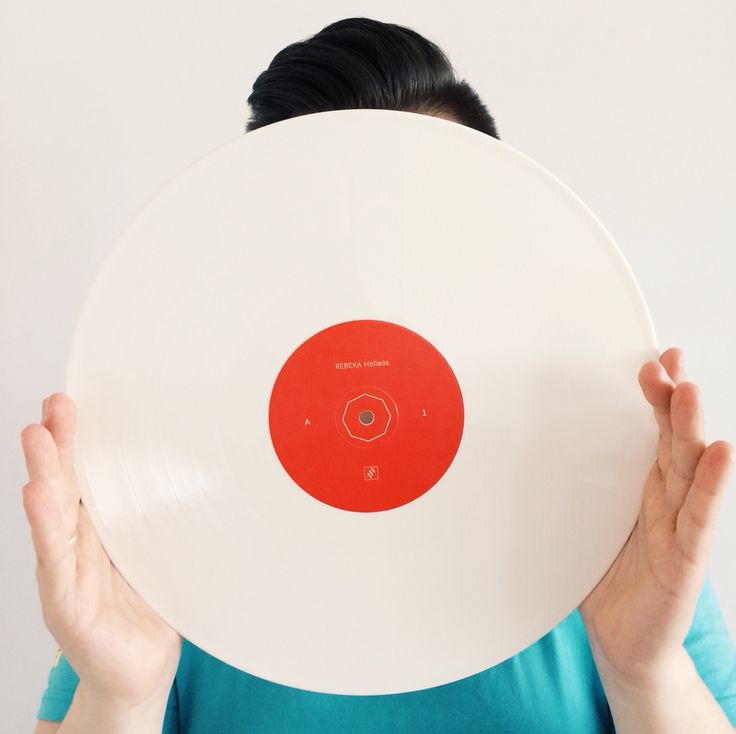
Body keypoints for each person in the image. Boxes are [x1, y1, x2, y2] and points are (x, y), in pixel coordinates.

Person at [20, 17, 736, 734]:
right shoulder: (163, 513)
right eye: (329, 232)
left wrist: (648, 672)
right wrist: (121, 697)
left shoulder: (619, 505)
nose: (373, 276)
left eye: (421, 224)